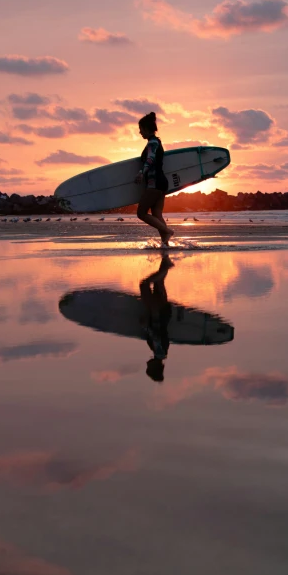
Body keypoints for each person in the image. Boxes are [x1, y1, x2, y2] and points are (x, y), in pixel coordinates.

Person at [135, 111, 174, 246]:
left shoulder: (152, 143)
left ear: (146, 129)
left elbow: (150, 159)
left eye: (141, 130)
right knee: (157, 214)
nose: (140, 133)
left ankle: (167, 231)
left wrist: (142, 172)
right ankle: (165, 244)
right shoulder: (156, 142)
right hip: (161, 183)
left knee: (141, 213)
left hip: (155, 182)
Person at [139, 255, 173, 381]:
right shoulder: (160, 353)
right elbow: (156, 336)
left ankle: (166, 254)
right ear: (154, 367)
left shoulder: (161, 353)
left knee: (159, 282)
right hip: (158, 313)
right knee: (144, 284)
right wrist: (145, 327)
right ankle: (168, 265)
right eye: (148, 368)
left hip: (163, 312)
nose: (146, 365)